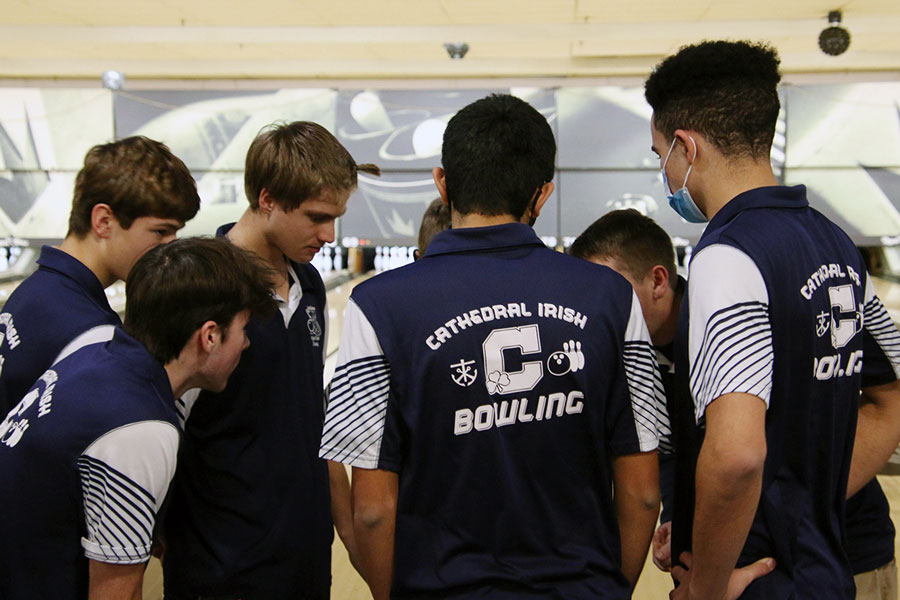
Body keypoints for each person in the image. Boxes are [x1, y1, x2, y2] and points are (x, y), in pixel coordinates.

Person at [320, 93, 663, 599]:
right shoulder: (612, 299)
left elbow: (371, 512)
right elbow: (643, 494)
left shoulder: (375, 306)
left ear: (442, 183)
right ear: (543, 194)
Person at [644, 40, 900, 599]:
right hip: (823, 570)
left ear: (686, 148)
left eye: (661, 154)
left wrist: (706, 587)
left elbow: (737, 453)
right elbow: (894, 392)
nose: (664, 174)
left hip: (765, 582)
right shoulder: (835, 244)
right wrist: (809, 507)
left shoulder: (726, 255)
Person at [162, 121, 380, 599]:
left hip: (302, 557)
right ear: (267, 199)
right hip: (221, 565)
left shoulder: (312, 285)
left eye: (336, 217)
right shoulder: (200, 288)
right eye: (316, 216)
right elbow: (160, 426)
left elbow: (310, 421)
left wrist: (349, 536)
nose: (329, 233)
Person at [0, 237, 276, 599]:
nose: (246, 343)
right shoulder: (140, 428)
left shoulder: (97, 349)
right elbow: (115, 591)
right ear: (210, 336)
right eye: (243, 328)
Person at [0, 135, 200, 413]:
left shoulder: (35, 293)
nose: (172, 247)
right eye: (161, 231)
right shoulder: (87, 330)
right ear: (104, 221)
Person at [569, 208, 681, 571]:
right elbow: (666, 449)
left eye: (610, 292)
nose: (597, 309)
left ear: (658, 281)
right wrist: (677, 516)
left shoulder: (724, 333)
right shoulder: (622, 350)